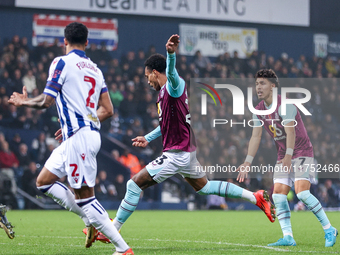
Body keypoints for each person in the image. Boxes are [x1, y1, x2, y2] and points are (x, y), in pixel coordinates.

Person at [90, 35, 275, 244]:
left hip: (177, 154)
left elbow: (170, 72)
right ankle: (256, 197)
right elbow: (165, 125)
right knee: (205, 188)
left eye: (147, 76)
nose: (147, 80)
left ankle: (112, 231)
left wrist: (170, 53)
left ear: (154, 72)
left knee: (133, 185)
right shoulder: (163, 94)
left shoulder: (173, 86)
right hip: (186, 152)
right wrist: (148, 138)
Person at [8, 22, 133, 255]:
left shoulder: (61, 62)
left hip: (79, 138)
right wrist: (78, 122)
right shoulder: (96, 69)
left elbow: (46, 101)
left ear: (64, 41)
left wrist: (24, 101)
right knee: (43, 182)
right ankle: (91, 221)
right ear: (87, 43)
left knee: (85, 197)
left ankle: (122, 249)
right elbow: (108, 109)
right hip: (81, 135)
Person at [236, 69, 337, 247]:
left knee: (303, 193)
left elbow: (290, 131)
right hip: (284, 153)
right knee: (279, 196)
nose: (258, 87)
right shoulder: (258, 110)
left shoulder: (285, 104)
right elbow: (256, 137)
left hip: (302, 150)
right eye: (257, 83)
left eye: (262, 83)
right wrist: (247, 162)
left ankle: (329, 229)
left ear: (273, 86)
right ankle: (288, 237)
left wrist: (289, 155)